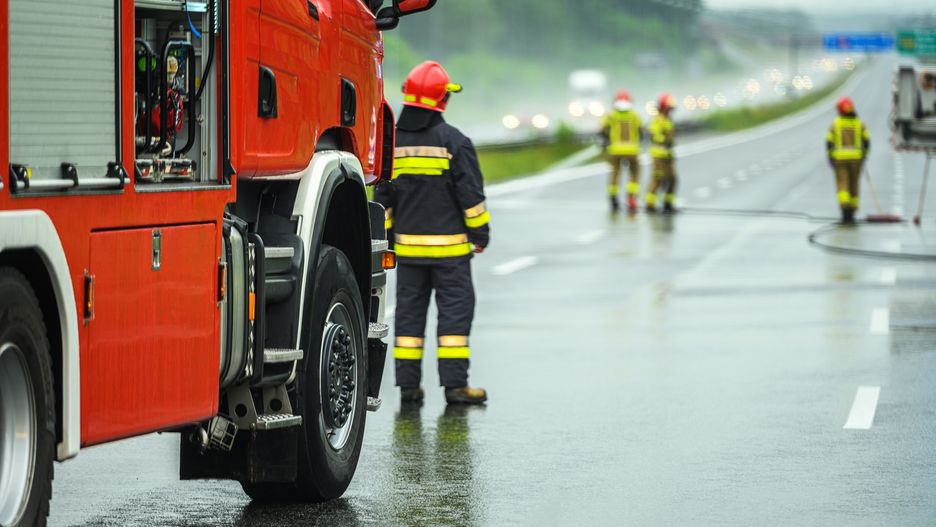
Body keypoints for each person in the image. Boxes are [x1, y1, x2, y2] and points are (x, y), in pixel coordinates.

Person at [375, 61, 490, 405]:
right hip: (452, 256)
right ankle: (455, 388)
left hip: (409, 255)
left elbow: (383, 201)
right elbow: (471, 197)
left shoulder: (391, 145)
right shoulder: (454, 142)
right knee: (454, 317)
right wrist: (480, 235)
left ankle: (409, 389)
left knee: (408, 317)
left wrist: (389, 240)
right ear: (441, 100)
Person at [826, 96, 870, 224]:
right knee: (854, 185)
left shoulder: (835, 124)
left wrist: (830, 157)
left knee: (842, 186)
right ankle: (852, 212)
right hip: (856, 160)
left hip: (840, 160)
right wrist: (864, 155)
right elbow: (866, 141)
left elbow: (829, 142)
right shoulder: (859, 123)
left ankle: (845, 212)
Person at [601, 90, 643, 212]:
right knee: (634, 174)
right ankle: (631, 198)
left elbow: (603, 130)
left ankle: (613, 197)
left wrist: (606, 141)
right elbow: (641, 131)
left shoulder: (611, 115)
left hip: (615, 150)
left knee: (615, 174)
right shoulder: (634, 115)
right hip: (632, 150)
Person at [645, 93, 677, 213]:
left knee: (672, 179)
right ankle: (650, 204)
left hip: (668, 155)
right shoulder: (657, 119)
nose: (671, 110)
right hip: (658, 155)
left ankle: (668, 203)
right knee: (657, 179)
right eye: (669, 107)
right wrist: (665, 140)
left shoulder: (668, 120)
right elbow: (654, 135)